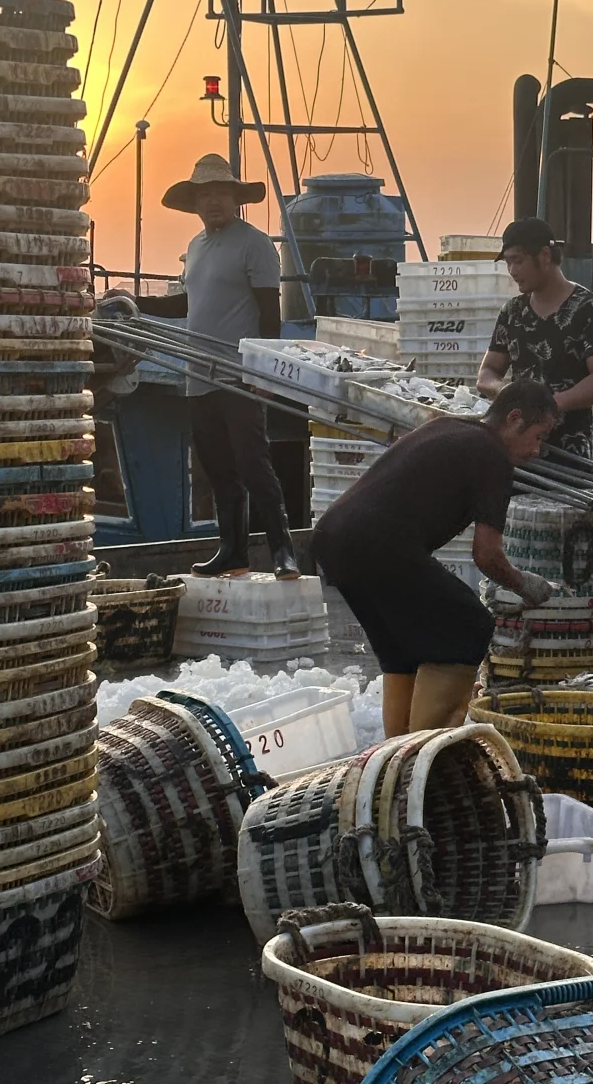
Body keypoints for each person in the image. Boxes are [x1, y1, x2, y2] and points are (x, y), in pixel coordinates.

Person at [311, 379, 558, 737]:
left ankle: (395, 754)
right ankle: (427, 756)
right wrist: (524, 585)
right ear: (514, 418)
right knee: (470, 625)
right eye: (538, 436)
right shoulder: (491, 456)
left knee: (403, 649)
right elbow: (487, 555)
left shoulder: (449, 425)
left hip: (333, 538)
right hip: (377, 543)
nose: (537, 450)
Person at [100, 154, 300, 581]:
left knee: (253, 463)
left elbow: (270, 313)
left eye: (221, 193)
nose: (213, 202)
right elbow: (188, 303)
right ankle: (232, 551)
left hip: (237, 375)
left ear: (235, 198)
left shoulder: (255, 243)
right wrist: (136, 305)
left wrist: (262, 372)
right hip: (198, 376)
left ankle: (284, 550)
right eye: (205, 194)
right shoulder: (195, 247)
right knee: (217, 469)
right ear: (194, 202)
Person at [476, 217, 593, 458]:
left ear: (544, 255)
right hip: (514, 452)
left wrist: (549, 405)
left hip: (568, 453)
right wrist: (510, 394)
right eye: (508, 263)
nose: (512, 271)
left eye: (518, 261)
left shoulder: (590, 310)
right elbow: (487, 373)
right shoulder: (512, 312)